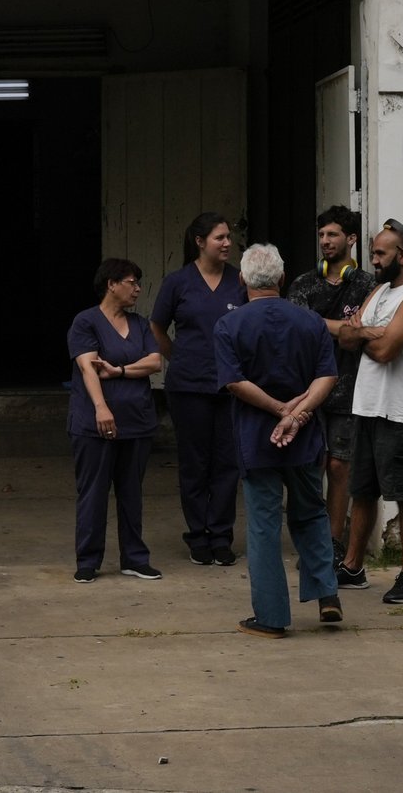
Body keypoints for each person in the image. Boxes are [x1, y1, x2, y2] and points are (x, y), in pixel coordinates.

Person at [214, 243, 342, 637]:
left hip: (257, 438)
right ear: (283, 279)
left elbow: (234, 381)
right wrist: (299, 414)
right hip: (303, 439)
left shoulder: (229, 325)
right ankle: (327, 595)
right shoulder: (310, 322)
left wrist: (276, 409)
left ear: (242, 281)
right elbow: (327, 377)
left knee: (264, 526)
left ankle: (270, 617)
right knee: (311, 513)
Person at [336, 218, 403, 605]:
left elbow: (385, 350)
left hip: (398, 412)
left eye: (380, 253)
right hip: (366, 406)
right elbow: (346, 336)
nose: (373, 260)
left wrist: (365, 333)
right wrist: (365, 332)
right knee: (362, 492)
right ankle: (353, 566)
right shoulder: (377, 293)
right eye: (373, 252)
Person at [150, 211, 248, 566]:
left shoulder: (240, 281)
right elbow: (157, 327)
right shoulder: (178, 282)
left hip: (231, 388)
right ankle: (197, 535)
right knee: (195, 463)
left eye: (228, 238)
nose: (227, 244)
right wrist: (180, 358)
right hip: (188, 387)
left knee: (227, 463)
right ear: (199, 241)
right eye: (220, 238)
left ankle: (221, 536)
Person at [66, 259, 164, 584]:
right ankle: (88, 560)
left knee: (131, 492)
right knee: (93, 491)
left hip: (137, 421)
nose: (137, 288)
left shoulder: (140, 323)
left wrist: (120, 370)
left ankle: (134, 558)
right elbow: (88, 367)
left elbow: (154, 362)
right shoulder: (86, 322)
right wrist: (101, 407)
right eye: (131, 282)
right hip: (94, 423)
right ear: (111, 284)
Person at [285, 204, 375, 553]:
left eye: (332, 234)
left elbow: (367, 333)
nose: (325, 240)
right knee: (310, 465)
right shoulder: (304, 284)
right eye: (321, 235)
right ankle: (308, 539)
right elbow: (297, 327)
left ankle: (332, 542)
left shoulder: (369, 285)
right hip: (306, 389)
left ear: (351, 239)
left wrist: (322, 326)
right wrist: (346, 330)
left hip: (351, 390)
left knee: (340, 467)